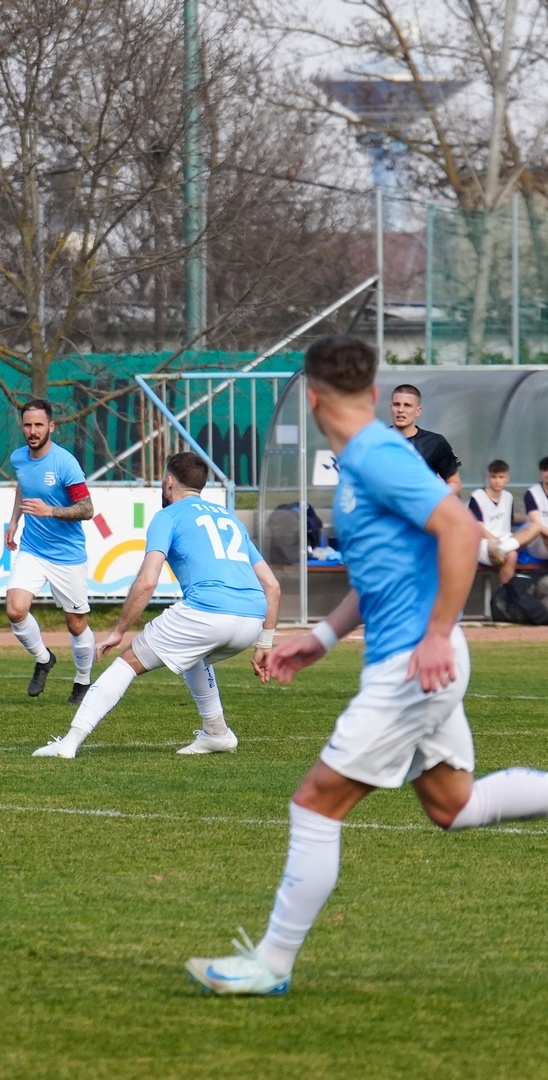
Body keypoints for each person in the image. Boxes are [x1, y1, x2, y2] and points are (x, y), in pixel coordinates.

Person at [187, 335, 548, 997]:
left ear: (312, 399)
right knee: (454, 805)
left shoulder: (378, 457)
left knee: (314, 804)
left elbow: (459, 530)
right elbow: (384, 573)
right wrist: (322, 638)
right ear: (375, 394)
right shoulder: (363, 460)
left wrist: (436, 633)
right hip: (420, 660)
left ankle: (271, 964)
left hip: (413, 667)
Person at [32, 452, 281, 758]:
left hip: (207, 613)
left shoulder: (168, 516)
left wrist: (118, 631)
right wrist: (264, 643)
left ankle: (69, 742)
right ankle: (217, 733)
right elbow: (272, 586)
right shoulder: (230, 518)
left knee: (127, 663)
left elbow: (147, 582)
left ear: (169, 483)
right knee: (193, 655)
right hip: (252, 619)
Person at [5, 398, 96, 702]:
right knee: (15, 609)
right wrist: (14, 521)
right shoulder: (19, 458)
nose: (33, 431)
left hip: (67, 555)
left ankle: (82, 681)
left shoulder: (65, 463)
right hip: (32, 548)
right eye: (28, 425)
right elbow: (23, 487)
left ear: (51, 426)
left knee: (76, 624)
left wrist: (51, 511)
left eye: (39, 425)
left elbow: (87, 509)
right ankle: (44, 659)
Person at [468, 460, 545, 584]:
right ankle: (506, 590)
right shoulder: (477, 497)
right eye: (494, 477)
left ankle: (503, 550)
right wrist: (496, 541)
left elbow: (509, 518)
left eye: (501, 477)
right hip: (486, 543)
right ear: (488, 477)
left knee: (535, 526)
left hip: (506, 540)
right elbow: (479, 528)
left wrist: (526, 520)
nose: (497, 481)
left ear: (507, 478)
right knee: (511, 554)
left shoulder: (508, 496)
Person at [388, 383, 461, 493]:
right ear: (391, 408)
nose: (401, 410)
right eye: (396, 404)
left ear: (418, 411)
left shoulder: (435, 443)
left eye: (407, 405)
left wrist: (432, 496)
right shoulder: (375, 440)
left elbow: (455, 484)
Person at [522, 456, 548, 562]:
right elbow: (538, 525)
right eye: (545, 470)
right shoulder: (532, 493)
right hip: (538, 542)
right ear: (540, 473)